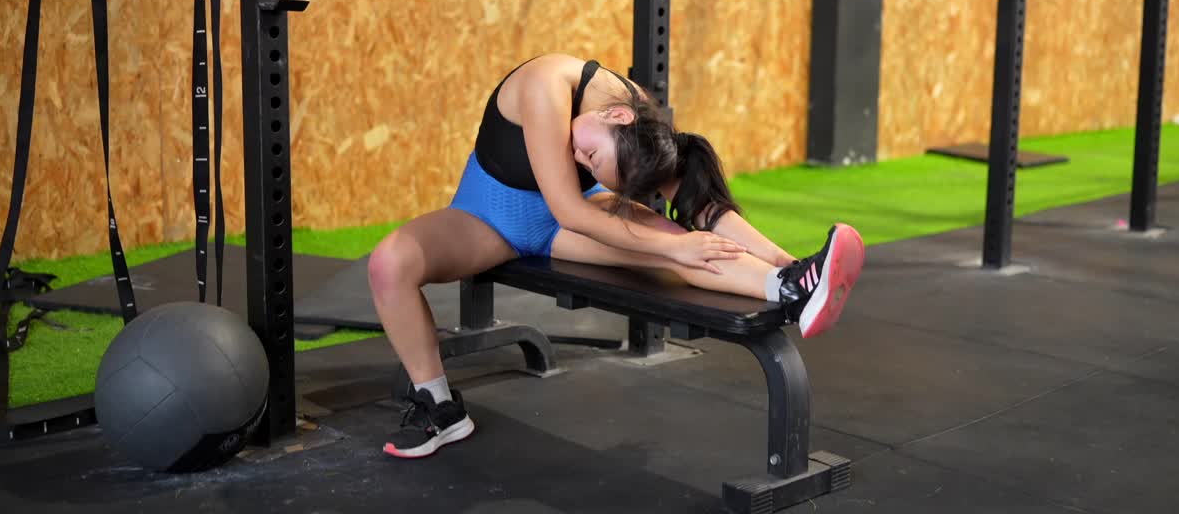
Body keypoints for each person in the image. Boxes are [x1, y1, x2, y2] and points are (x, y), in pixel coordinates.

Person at [367, 53, 864, 458]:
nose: (578, 158)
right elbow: (567, 209)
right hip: (490, 217)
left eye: (590, 161)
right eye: (591, 157)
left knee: (683, 250)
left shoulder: (639, 119)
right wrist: (673, 244)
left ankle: (793, 287)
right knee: (390, 263)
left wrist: (782, 258)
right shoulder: (545, 85)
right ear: (615, 117)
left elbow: (697, 204)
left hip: (572, 224)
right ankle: (439, 406)